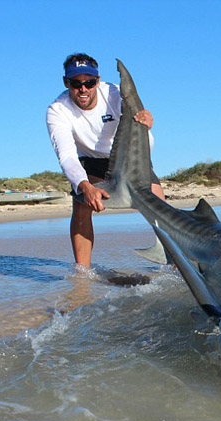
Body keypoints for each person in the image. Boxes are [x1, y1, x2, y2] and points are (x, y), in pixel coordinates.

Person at [46, 53, 165, 268]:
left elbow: (141, 130)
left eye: (89, 83)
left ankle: (175, 264)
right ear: (66, 83)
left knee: (160, 206)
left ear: (97, 81)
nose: (83, 89)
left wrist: (146, 121)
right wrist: (84, 186)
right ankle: (83, 273)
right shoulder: (57, 110)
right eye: (76, 83)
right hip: (91, 161)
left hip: (130, 157)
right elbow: (67, 156)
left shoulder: (114, 93)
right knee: (81, 206)